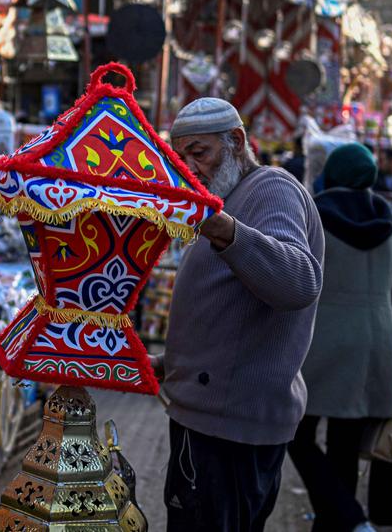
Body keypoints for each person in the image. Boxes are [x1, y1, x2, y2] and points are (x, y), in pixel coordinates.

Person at [158, 97, 325, 531]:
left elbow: (298, 283)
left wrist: (225, 230)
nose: (191, 168)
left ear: (236, 142)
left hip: (227, 431)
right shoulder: (229, 197)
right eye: (182, 158)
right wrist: (168, 365)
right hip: (214, 422)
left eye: (200, 153)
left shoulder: (270, 188)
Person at [289, 143, 392, 532]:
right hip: (379, 342)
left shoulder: (312, 217)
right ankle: (342, 521)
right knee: (344, 445)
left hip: (322, 342)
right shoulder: (391, 223)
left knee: (295, 432)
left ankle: (350, 520)